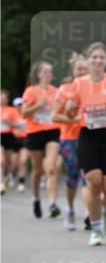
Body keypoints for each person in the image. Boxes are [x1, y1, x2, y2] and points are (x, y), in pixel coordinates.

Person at [52, 41, 106, 246]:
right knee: (94, 182)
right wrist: (69, 108)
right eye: (93, 57)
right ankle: (95, 229)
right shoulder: (79, 84)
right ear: (88, 60)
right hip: (88, 137)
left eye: (101, 57)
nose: (97, 61)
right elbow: (71, 112)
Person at [21, 61, 62, 218]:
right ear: (38, 74)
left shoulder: (56, 92)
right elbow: (24, 113)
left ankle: (52, 203)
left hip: (53, 131)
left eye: (50, 72)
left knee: (51, 167)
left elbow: (63, 110)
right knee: (37, 170)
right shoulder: (31, 91)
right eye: (45, 72)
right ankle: (36, 198)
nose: (48, 75)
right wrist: (38, 105)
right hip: (35, 132)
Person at [57, 53, 88, 230]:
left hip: (89, 137)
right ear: (73, 70)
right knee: (73, 175)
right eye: (79, 69)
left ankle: (88, 213)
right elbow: (55, 115)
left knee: (88, 176)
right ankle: (69, 209)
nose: (82, 72)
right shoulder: (65, 89)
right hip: (69, 138)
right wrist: (72, 118)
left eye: (85, 68)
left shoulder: (94, 88)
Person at [1, 90, 21, 192]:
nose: (2, 99)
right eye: (1, 97)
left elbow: (20, 124)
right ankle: (1, 182)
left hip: (9, 136)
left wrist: (10, 123)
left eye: (4, 98)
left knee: (9, 160)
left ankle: (8, 174)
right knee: (1, 160)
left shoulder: (12, 110)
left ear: (7, 99)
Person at [10, 97, 29, 192]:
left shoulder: (27, 114)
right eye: (18, 105)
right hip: (14, 140)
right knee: (14, 163)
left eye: (21, 104)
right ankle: (12, 174)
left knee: (23, 160)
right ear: (14, 106)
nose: (20, 107)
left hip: (25, 139)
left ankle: (21, 182)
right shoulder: (11, 114)